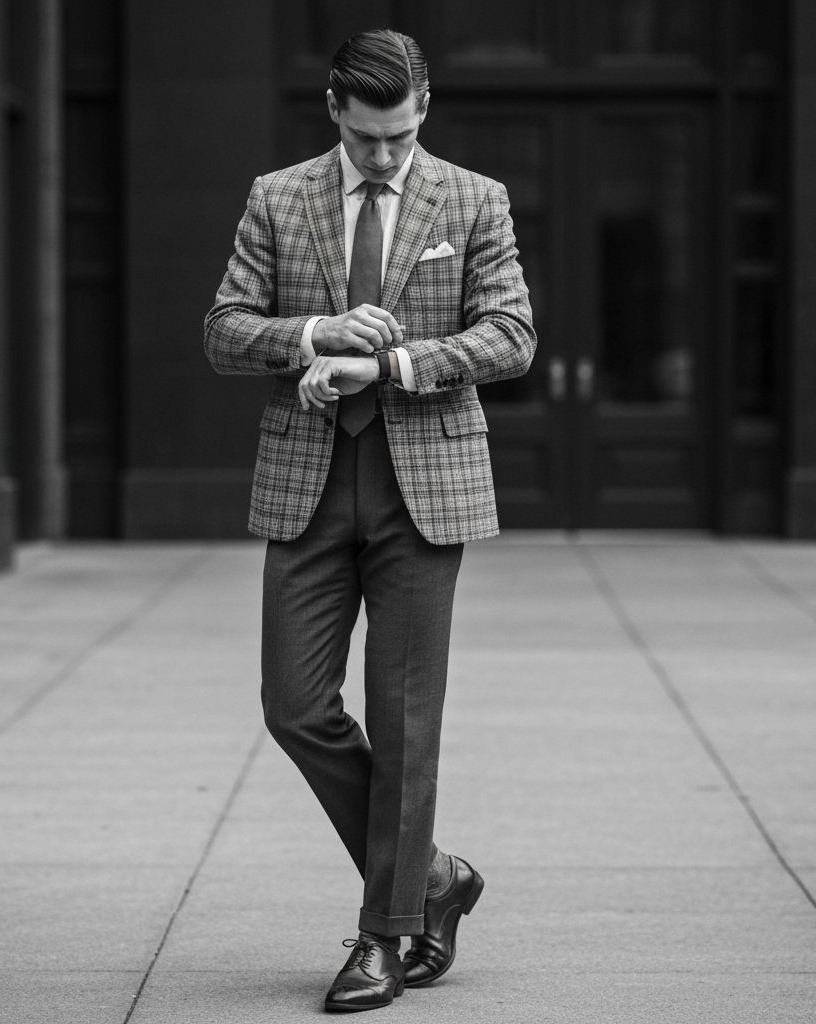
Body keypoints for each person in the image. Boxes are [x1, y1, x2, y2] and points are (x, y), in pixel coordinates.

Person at [203, 28, 535, 1013]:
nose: (384, 157)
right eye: (367, 138)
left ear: (421, 108)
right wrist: (313, 332)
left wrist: (388, 361)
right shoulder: (279, 196)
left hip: (422, 488)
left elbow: (509, 335)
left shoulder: (472, 200)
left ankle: (384, 935)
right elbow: (224, 329)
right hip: (307, 480)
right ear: (333, 111)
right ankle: (431, 875)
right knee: (293, 705)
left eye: (399, 135)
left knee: (403, 725)